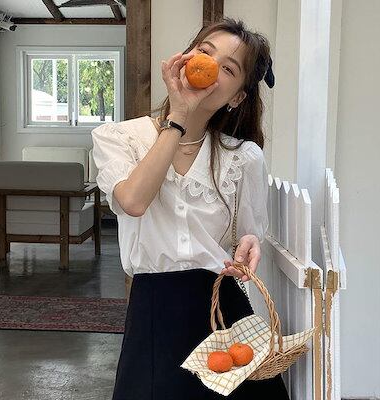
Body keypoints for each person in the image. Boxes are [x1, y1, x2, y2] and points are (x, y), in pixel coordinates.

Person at [92, 17, 290, 400]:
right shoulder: (120, 137)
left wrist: (250, 242)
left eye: (228, 69)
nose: (210, 66)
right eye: (204, 51)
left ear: (237, 97)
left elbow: (246, 236)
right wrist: (179, 116)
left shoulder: (243, 157)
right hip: (155, 311)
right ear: (185, 58)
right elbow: (133, 201)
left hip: (221, 308)